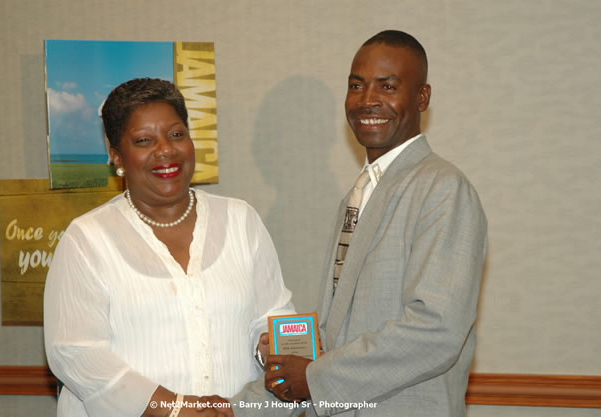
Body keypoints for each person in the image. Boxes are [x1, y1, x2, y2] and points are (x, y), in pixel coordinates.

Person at [231, 30, 488, 417]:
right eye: (356, 85)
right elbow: (341, 333)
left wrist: (315, 377)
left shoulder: (443, 188)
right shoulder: (359, 193)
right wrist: (239, 408)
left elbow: (436, 330)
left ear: (422, 97)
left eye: (387, 86)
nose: (368, 100)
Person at [44, 78, 295, 417]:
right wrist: (172, 407)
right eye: (144, 141)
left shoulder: (240, 220)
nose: (165, 150)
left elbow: (273, 317)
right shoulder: (87, 239)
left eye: (176, 134)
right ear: (116, 155)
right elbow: (76, 353)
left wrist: (271, 348)